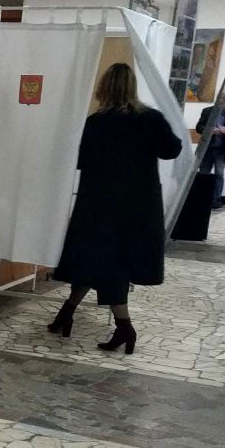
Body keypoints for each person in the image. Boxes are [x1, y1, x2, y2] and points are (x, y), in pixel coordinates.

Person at [48, 63, 182, 355]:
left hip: (98, 203)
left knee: (94, 259)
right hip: (138, 206)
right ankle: (67, 312)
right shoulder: (151, 119)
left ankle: (123, 326)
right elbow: (172, 149)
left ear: (103, 88)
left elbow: (80, 160)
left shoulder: (96, 123)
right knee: (109, 262)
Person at [195, 94, 225, 209]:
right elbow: (199, 127)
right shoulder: (207, 111)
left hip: (222, 149)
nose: (222, 102)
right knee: (203, 173)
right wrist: (209, 130)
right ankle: (201, 197)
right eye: (220, 100)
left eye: (224, 100)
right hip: (207, 148)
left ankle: (215, 199)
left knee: (219, 174)